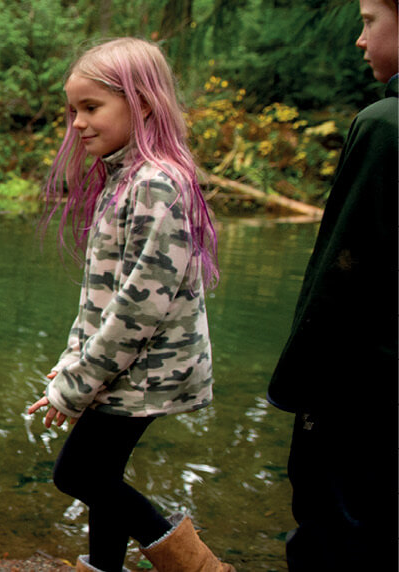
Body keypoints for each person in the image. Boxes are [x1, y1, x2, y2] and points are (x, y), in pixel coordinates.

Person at [25, 38, 233, 572]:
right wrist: (73, 361)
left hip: (144, 372)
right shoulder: (126, 178)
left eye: (91, 108)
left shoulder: (156, 184)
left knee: (79, 475)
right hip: (120, 368)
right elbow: (102, 295)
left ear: (141, 102)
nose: (77, 123)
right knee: (102, 473)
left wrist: (75, 387)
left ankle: (202, 570)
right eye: (73, 110)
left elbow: (140, 309)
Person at [268, 1, 398, 569]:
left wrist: (292, 385)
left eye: (369, 20)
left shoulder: (384, 126)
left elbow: (342, 271)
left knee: (336, 531)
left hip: (365, 394)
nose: (359, 39)